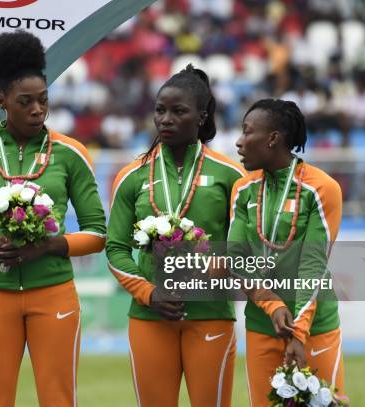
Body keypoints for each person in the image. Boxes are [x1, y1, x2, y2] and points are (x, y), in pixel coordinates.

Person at [0, 30, 106, 406]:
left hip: (54, 294)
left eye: (43, 100)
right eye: (25, 101)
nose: (37, 109)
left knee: (58, 399)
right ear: (2, 101)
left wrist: (49, 246)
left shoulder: (71, 153)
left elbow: (98, 233)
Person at [105, 64, 246, 407]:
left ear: (201, 116)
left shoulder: (231, 175)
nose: (165, 119)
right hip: (149, 316)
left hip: (211, 313)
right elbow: (115, 248)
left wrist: (211, 272)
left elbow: (243, 247)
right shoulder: (132, 175)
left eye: (178, 111)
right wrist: (149, 293)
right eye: (160, 110)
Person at [229, 98, 344, 407]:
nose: (239, 142)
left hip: (315, 327)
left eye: (247, 131)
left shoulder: (321, 188)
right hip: (261, 324)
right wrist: (273, 306)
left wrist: (299, 334)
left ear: (273, 138)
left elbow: (313, 264)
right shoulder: (243, 189)